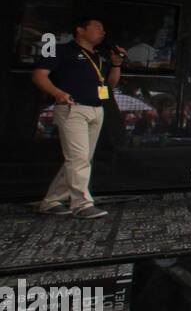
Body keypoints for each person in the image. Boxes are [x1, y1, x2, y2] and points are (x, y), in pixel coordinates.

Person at [33, 15, 126, 219]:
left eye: (103, 29)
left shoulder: (100, 56)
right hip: (72, 108)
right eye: (97, 27)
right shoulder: (63, 50)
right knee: (79, 158)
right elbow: (39, 74)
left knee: (82, 159)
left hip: (96, 108)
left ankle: (51, 201)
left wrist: (117, 64)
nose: (102, 32)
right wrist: (58, 93)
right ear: (80, 30)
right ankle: (82, 204)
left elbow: (110, 84)